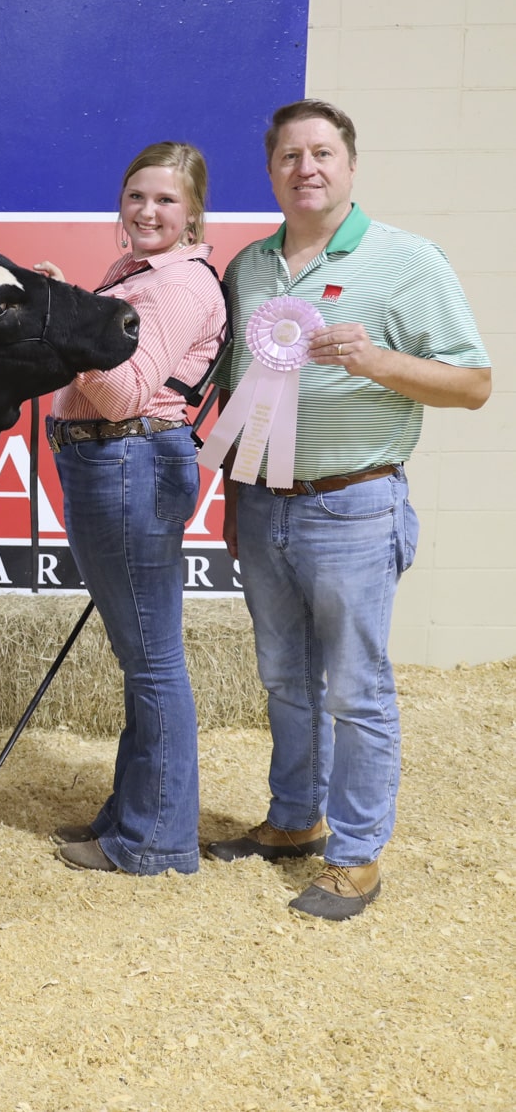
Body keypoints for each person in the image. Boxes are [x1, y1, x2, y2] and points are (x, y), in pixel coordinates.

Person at [207, 99, 492, 919]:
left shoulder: (406, 260)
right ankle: (294, 821)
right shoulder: (249, 268)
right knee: (282, 679)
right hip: (262, 506)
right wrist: (233, 499)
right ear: (271, 172)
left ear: (350, 165)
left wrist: (375, 361)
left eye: (321, 152)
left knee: (355, 689)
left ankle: (358, 855)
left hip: (354, 506)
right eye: (289, 156)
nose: (306, 168)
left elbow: (473, 384)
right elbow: (235, 395)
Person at [33, 141, 227, 876]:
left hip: (128, 461)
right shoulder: (139, 274)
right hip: (116, 463)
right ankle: (135, 814)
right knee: (141, 656)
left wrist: (65, 323)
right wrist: (76, 306)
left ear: (193, 211)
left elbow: (121, 392)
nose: (147, 211)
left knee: (150, 661)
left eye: (165, 200)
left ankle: (155, 842)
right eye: (135, 196)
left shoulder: (175, 286)